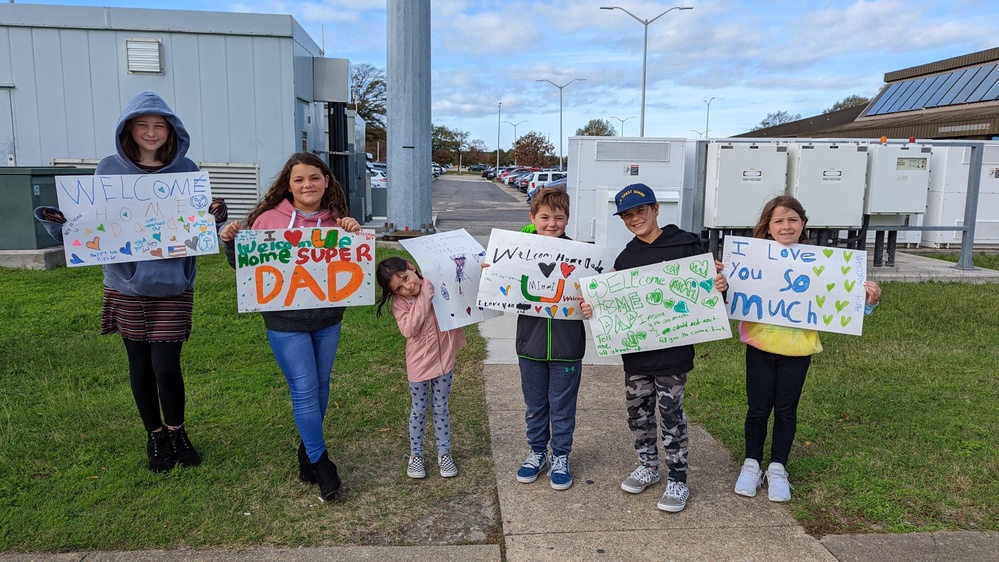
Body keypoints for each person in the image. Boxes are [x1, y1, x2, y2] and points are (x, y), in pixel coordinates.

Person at [34, 90, 228, 473]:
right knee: (139, 364)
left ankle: (177, 431)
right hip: (125, 284)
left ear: (171, 131)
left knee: (167, 366)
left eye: (159, 125)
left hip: (174, 283)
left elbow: (202, 227)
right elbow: (89, 226)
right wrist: (61, 223)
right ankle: (155, 436)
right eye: (143, 125)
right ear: (129, 129)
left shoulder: (187, 170)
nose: (151, 132)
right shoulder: (108, 168)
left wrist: (215, 216)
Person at [219, 152, 360, 501]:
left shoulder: (338, 221)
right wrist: (230, 241)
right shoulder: (269, 219)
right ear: (289, 184)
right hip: (284, 321)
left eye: (314, 178)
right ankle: (322, 462)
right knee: (304, 389)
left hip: (328, 319)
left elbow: (355, 267)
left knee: (322, 387)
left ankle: (306, 453)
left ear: (326, 181)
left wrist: (355, 235)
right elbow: (246, 266)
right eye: (299, 179)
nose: (307, 185)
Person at [580, 183, 728, 513]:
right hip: (635, 354)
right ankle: (648, 465)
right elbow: (614, 304)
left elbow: (710, 294)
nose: (635, 219)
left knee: (671, 414)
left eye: (641, 211)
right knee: (638, 413)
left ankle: (677, 479)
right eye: (628, 215)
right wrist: (596, 308)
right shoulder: (626, 257)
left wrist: (719, 286)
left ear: (656, 209)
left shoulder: (688, 245)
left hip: (673, 354)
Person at [733, 195, 881, 502]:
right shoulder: (749, 259)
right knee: (758, 409)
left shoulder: (822, 263)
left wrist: (869, 302)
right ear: (767, 226)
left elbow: (842, 307)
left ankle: (777, 467)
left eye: (792, 220)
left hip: (798, 351)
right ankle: (751, 464)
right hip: (760, 346)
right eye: (778, 221)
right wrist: (722, 280)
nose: (786, 226)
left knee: (786, 410)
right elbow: (728, 296)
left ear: (803, 224)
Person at [508, 188, 586, 490]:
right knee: (535, 405)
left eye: (559, 217)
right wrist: (493, 274)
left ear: (567, 219)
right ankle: (537, 452)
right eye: (544, 217)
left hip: (567, 348)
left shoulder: (581, 255)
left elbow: (594, 292)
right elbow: (500, 284)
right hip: (530, 346)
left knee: (562, 406)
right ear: (532, 218)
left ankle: (561, 456)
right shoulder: (516, 252)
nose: (551, 223)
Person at [374, 257, 466, 480]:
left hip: (444, 360)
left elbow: (461, 290)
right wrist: (424, 296)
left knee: (441, 406)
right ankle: (416, 456)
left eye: (406, 278)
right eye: (399, 288)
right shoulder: (401, 302)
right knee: (419, 409)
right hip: (419, 365)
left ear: (411, 267)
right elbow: (409, 329)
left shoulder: (436, 282)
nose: (407, 287)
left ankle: (444, 453)